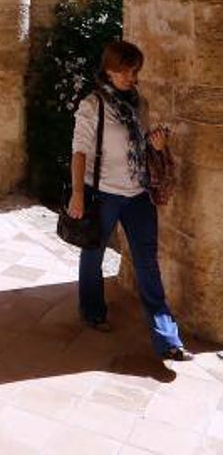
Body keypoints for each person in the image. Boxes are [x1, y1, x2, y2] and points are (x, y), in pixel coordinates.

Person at [66, 41, 191, 361]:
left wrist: (158, 147)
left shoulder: (140, 104)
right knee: (92, 254)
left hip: (138, 195)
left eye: (136, 72)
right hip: (104, 193)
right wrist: (78, 194)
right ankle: (93, 311)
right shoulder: (93, 105)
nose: (133, 78)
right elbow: (79, 152)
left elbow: (146, 147)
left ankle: (167, 339)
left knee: (147, 263)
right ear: (110, 70)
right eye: (128, 72)